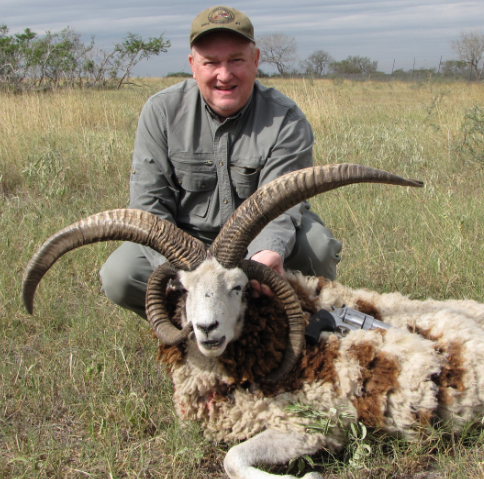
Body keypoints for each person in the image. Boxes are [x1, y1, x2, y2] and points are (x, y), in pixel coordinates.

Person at [100, 5, 342, 319]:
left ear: (255, 61)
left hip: (257, 241)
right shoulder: (161, 112)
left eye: (236, 60)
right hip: (185, 244)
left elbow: (281, 202)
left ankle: (300, 328)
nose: (224, 75)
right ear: (192, 65)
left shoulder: (286, 119)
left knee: (317, 249)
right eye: (211, 62)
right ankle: (191, 327)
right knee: (120, 275)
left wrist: (267, 252)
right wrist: (184, 273)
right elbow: (149, 204)